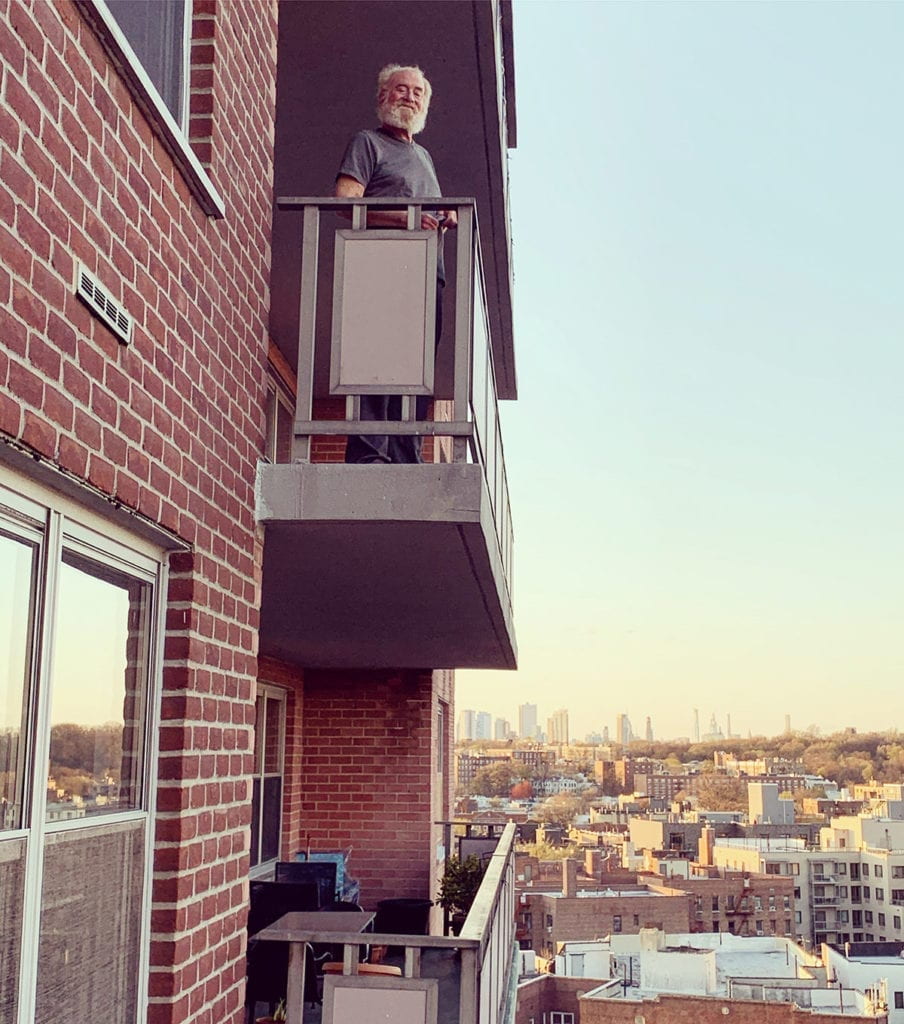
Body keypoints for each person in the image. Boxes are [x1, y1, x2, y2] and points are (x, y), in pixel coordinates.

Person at [336, 64, 456, 464]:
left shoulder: (424, 156)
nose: (409, 96)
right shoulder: (368, 143)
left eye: (417, 92)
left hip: (426, 274)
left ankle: (406, 454)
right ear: (383, 96)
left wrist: (444, 217)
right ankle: (370, 453)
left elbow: (426, 211)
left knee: (415, 369)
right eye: (400, 89)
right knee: (377, 362)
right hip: (383, 266)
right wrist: (404, 218)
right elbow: (345, 202)